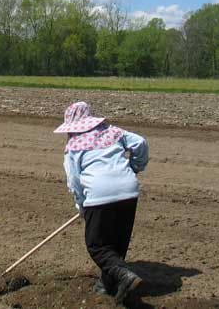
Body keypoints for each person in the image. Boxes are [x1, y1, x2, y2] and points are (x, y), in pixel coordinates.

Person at [54, 101, 149, 305]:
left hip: (99, 194)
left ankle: (125, 276)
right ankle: (107, 286)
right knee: (117, 243)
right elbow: (140, 142)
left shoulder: (72, 146)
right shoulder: (113, 131)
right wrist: (135, 166)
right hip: (129, 190)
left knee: (96, 245)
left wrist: (81, 205)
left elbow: (75, 181)